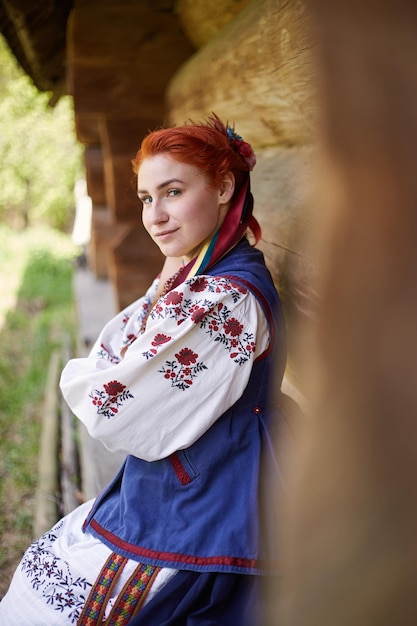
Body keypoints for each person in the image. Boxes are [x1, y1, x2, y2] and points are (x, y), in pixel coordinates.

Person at [0, 114, 286, 625]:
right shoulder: (197, 275)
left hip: (206, 507)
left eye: (173, 191)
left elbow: (113, 408)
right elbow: (121, 349)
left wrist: (92, 373)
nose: (155, 215)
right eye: (147, 198)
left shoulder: (224, 299)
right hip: (178, 488)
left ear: (223, 187)